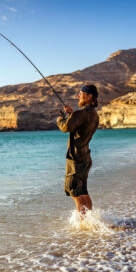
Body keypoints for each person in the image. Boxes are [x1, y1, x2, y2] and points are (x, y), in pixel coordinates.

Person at [56, 84, 99, 216]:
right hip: (85, 156)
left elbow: (65, 127)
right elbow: (79, 123)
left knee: (74, 191)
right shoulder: (94, 115)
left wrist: (60, 119)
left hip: (75, 158)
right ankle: (90, 221)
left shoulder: (82, 114)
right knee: (83, 191)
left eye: (80, 93)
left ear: (89, 96)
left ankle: (82, 225)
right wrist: (72, 115)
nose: (78, 96)